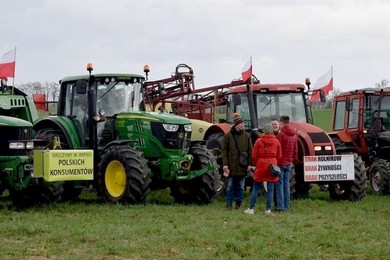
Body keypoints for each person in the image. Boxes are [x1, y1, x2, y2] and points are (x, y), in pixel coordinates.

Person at [244, 124, 282, 214]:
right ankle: (268, 209)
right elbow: (279, 156)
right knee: (270, 189)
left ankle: (251, 208)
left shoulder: (258, 141)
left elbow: (254, 155)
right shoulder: (276, 142)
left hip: (261, 165)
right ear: (272, 131)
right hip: (272, 165)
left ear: (263, 131)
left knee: (256, 188)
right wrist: (275, 162)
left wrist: (258, 163)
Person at [222, 113, 253, 210]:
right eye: (240, 124)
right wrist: (225, 165)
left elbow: (250, 151)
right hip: (231, 166)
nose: (242, 125)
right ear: (236, 125)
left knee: (241, 187)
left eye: (243, 123)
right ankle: (228, 204)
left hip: (242, 166)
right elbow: (224, 152)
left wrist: (250, 164)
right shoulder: (227, 137)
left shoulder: (247, 136)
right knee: (230, 186)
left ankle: (238, 203)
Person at [276, 115, 297, 211]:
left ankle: (280, 206)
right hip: (289, 162)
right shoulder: (294, 134)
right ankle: (287, 205)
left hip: (281, 162)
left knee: (279, 185)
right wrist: (292, 160)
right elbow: (295, 150)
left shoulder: (281, 135)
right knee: (287, 185)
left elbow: (278, 149)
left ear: (281, 123)